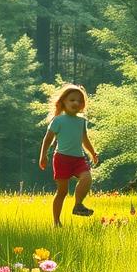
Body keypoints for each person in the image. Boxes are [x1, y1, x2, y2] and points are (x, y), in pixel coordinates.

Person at [38, 83, 99, 226]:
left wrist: (92, 152)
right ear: (63, 102)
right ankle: (56, 221)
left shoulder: (82, 121)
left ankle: (78, 205)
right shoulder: (58, 120)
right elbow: (48, 139)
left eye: (79, 101)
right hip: (61, 159)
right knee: (62, 192)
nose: (76, 103)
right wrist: (43, 155)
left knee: (87, 178)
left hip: (78, 159)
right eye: (72, 100)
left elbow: (84, 139)